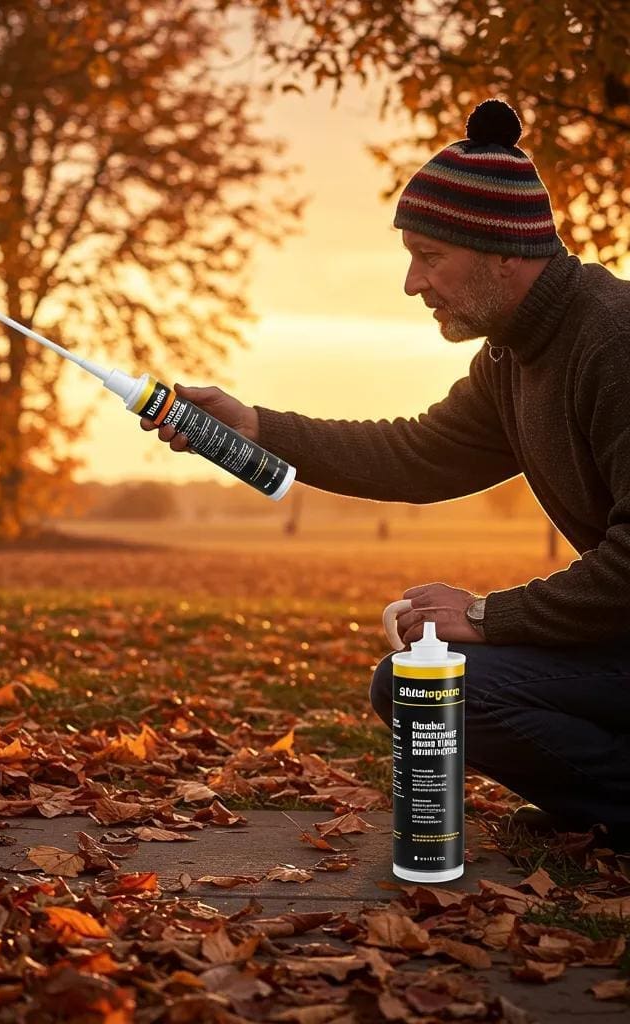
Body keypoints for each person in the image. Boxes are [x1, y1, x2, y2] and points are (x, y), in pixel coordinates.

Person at [142, 99, 630, 846]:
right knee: (417, 681)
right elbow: (414, 453)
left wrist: (486, 616)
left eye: (430, 257)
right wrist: (256, 428)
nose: (411, 283)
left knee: (432, 683)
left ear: (505, 251)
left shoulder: (613, 343)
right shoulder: (511, 358)